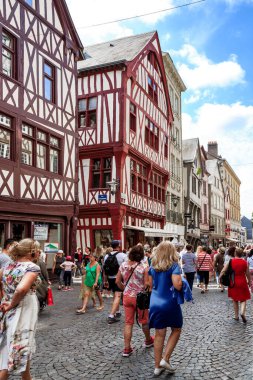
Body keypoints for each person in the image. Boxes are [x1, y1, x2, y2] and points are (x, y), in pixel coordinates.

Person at [0, 239, 41, 379]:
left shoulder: (7, 267)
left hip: (7, 310)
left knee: (12, 344)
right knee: (17, 345)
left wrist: (5, 298)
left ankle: (27, 377)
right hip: (23, 310)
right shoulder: (31, 267)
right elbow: (22, 289)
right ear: (32, 252)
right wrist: (11, 303)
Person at [148, 241, 183, 376]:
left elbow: (150, 286)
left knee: (159, 334)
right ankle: (165, 359)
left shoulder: (152, 267)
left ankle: (157, 367)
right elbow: (177, 285)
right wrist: (182, 280)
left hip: (155, 302)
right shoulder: (174, 266)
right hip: (169, 302)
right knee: (176, 329)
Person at [116, 245, 153, 357]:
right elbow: (147, 284)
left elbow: (117, 281)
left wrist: (125, 289)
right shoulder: (144, 267)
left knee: (128, 323)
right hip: (140, 298)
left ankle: (127, 349)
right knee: (144, 321)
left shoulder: (123, 265)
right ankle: (148, 340)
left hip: (127, 297)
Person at [220, 248, 251, 323]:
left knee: (235, 299)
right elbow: (247, 274)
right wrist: (249, 282)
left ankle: (236, 316)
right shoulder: (244, 262)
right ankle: (242, 313)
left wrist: (220, 278)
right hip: (242, 281)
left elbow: (223, 270)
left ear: (235, 253)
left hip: (233, 282)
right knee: (243, 299)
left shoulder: (231, 261)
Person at [103, 240, 127, 324]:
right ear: (119, 246)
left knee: (115, 294)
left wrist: (105, 280)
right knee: (118, 296)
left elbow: (105, 269)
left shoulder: (106, 256)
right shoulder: (123, 255)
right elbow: (126, 269)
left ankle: (117, 311)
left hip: (110, 277)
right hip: (119, 278)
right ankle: (111, 315)